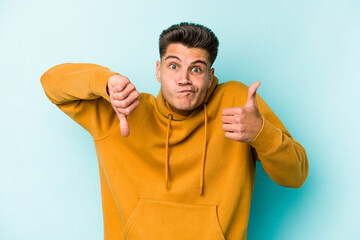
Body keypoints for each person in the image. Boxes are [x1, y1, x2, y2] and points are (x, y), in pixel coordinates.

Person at [41, 22, 308, 240]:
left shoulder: (237, 104)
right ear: (158, 70)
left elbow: (295, 176)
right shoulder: (123, 110)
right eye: (173, 65)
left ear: (210, 76)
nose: (184, 79)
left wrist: (261, 132)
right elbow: (51, 82)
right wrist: (105, 82)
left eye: (196, 69)